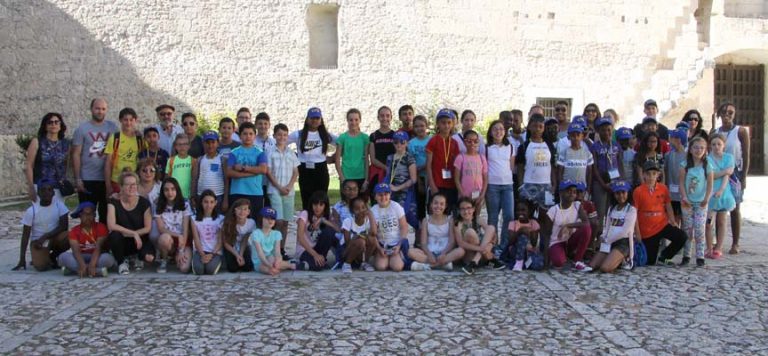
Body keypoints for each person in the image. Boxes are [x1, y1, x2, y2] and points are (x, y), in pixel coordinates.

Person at [711, 103, 749, 255]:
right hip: (717, 171)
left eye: (730, 112)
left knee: (734, 207)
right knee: (716, 206)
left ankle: (735, 243)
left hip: (735, 173)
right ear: (719, 114)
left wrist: (744, 176)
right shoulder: (715, 131)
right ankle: (716, 241)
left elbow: (746, 154)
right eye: (724, 112)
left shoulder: (740, 131)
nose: (727, 115)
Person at [633, 161, 688, 265]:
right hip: (647, 230)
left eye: (654, 173)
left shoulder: (663, 188)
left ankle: (665, 256)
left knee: (682, 236)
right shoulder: (638, 191)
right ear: (643, 174)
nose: (651, 177)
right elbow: (634, 213)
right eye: (648, 174)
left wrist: (672, 221)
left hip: (662, 224)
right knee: (650, 262)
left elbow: (668, 205)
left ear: (658, 175)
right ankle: (655, 255)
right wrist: (637, 232)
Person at [72, 98, 118, 222]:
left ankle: (104, 241)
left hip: (106, 180)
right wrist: (77, 178)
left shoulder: (113, 128)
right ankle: (87, 240)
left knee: (106, 215)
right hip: (88, 179)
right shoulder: (82, 129)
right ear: (91, 109)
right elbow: (76, 154)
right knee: (87, 215)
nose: (100, 111)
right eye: (97, 108)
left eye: (103, 109)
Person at [13, 180, 70, 271]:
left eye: (49, 190)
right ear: (38, 193)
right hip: (38, 242)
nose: (46, 193)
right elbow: (25, 235)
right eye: (43, 190)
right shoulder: (31, 211)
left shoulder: (60, 206)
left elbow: (64, 226)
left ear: (53, 193)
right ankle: (43, 257)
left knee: (70, 236)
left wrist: (46, 236)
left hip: (54, 238)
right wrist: (22, 258)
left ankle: (52, 256)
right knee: (41, 267)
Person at [107, 171, 154, 275]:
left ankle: (138, 257)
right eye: (128, 184)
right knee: (114, 235)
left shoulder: (144, 203)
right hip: (123, 239)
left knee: (150, 258)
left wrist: (136, 234)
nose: (132, 187)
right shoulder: (113, 202)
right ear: (121, 186)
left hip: (140, 240)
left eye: (134, 184)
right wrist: (133, 233)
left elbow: (147, 227)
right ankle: (121, 262)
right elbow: (111, 225)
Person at [289, 107, 336, 210]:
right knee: (306, 199)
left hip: (321, 169)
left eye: (317, 118)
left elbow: (342, 144)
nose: (314, 120)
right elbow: (282, 142)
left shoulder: (325, 135)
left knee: (322, 199)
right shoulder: (299, 134)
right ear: (307, 119)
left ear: (321, 120)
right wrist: (293, 157)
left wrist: (333, 157)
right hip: (304, 169)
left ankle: (322, 223)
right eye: (312, 118)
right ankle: (307, 223)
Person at [588, 180, 637, 273]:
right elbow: (607, 227)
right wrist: (603, 237)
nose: (621, 196)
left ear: (628, 193)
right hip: (609, 242)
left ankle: (623, 260)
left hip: (623, 243)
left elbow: (625, 232)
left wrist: (609, 240)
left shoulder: (631, 210)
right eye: (617, 193)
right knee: (592, 266)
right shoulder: (611, 209)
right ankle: (612, 257)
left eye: (623, 192)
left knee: (605, 268)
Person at [266, 123, 299, 258]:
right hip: (275, 190)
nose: (282, 137)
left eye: (285, 135)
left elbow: (295, 172)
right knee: (277, 221)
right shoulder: (270, 152)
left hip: (288, 191)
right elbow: (268, 172)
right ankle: (274, 248)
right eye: (279, 134)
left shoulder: (291, 153)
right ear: (274, 136)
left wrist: (290, 186)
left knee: (286, 222)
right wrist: (279, 187)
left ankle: (282, 249)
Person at [679, 137, 713, 267]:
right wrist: (684, 197)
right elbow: (681, 183)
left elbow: (710, 183)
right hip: (687, 202)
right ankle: (686, 255)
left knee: (699, 228)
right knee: (688, 230)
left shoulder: (707, 165)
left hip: (701, 202)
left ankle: (700, 256)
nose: (699, 150)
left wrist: (707, 198)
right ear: (691, 149)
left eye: (702, 148)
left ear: (705, 150)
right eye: (696, 147)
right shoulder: (684, 165)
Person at [408, 193, 464, 271]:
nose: (438, 206)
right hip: (430, 252)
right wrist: (429, 254)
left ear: (445, 206)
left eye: (441, 204)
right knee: (410, 252)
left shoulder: (449, 220)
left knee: (461, 251)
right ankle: (441, 265)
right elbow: (423, 243)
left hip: (445, 252)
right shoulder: (426, 220)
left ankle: (428, 266)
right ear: (431, 204)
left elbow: (452, 241)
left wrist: (443, 254)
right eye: (435, 203)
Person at [58, 202, 115, 277]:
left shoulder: (101, 227)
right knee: (62, 257)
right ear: (80, 216)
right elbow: (76, 250)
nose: (87, 217)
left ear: (94, 215)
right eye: (84, 214)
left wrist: (92, 264)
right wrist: (82, 265)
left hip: (97, 256)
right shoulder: (74, 230)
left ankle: (75, 270)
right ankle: (97, 271)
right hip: (81, 256)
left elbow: (98, 248)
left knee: (108, 259)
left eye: (90, 214)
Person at [517, 114, 557, 217]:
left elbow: (552, 165)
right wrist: (521, 185)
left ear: (544, 129)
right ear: (529, 127)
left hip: (546, 186)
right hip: (528, 185)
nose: (537, 129)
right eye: (534, 126)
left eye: (540, 126)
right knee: (527, 217)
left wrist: (554, 184)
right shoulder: (524, 146)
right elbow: (520, 167)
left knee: (546, 216)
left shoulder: (549, 145)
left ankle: (544, 234)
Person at [547, 180, 592, 271]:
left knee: (586, 229)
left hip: (571, 240)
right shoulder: (553, 210)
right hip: (557, 241)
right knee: (558, 262)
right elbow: (545, 233)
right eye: (568, 191)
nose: (572, 193)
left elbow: (586, 222)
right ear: (561, 193)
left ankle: (577, 261)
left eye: (574, 191)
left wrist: (568, 226)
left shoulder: (577, 205)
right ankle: (561, 255)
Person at [227, 122, 268, 220]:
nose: (248, 136)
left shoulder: (260, 153)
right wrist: (253, 172)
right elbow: (229, 172)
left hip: (255, 193)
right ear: (240, 136)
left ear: (255, 136)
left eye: (251, 134)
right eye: (245, 134)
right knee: (236, 222)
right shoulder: (233, 153)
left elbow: (263, 169)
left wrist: (243, 168)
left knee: (254, 223)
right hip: (237, 192)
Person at [25, 112, 70, 203]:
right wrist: (31, 187)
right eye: (50, 122)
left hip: (59, 187)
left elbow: (66, 165)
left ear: (60, 125)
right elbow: (29, 165)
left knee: (58, 215)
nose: (53, 124)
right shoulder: (36, 142)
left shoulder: (66, 144)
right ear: (45, 126)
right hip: (41, 187)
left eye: (56, 122)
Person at [485, 120, 515, 251]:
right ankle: (492, 245)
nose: (498, 132)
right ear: (491, 132)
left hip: (507, 185)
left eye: (501, 129)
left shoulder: (511, 147)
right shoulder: (486, 148)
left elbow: (511, 166)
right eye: (495, 129)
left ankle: (504, 245)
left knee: (509, 215)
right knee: (493, 216)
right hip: (492, 185)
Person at [454, 197, 505, 275]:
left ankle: (474, 262)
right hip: (469, 255)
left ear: (473, 209)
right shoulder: (458, 224)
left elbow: (494, 236)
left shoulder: (478, 219)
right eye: (463, 209)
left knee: (491, 228)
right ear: (459, 210)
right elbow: (461, 243)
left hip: (482, 255)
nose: (466, 211)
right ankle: (484, 260)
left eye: (468, 208)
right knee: (470, 232)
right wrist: (481, 249)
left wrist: (490, 245)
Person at [706, 134, 737, 259]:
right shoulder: (707, 159)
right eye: (713, 144)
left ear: (723, 145)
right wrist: (724, 171)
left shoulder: (729, 157)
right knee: (709, 222)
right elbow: (711, 175)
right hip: (710, 192)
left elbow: (727, 176)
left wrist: (721, 189)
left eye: (719, 144)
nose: (716, 147)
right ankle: (708, 248)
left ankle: (718, 247)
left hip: (724, 193)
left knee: (722, 221)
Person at [154, 177, 193, 273]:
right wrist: (177, 235)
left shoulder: (185, 204)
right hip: (169, 238)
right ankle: (164, 260)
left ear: (177, 190)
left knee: (184, 268)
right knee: (164, 238)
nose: (170, 193)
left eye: (172, 189)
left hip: (183, 240)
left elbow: (185, 229)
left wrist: (181, 250)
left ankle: (177, 256)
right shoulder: (158, 205)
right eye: (166, 190)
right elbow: (161, 228)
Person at [370, 184, 413, 272]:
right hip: (382, 244)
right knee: (381, 267)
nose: (383, 197)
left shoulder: (396, 206)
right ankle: (380, 256)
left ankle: (399, 256)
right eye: (380, 195)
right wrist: (379, 248)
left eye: (386, 194)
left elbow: (404, 227)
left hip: (395, 244)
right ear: (375, 197)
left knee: (397, 267)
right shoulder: (373, 210)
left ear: (390, 195)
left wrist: (399, 245)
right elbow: (372, 234)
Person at [295, 191, 339, 271]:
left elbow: (338, 230)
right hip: (304, 249)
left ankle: (317, 261)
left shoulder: (327, 217)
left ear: (325, 206)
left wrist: (322, 220)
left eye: (321, 205)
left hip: (318, 249)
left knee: (329, 231)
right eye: (315, 204)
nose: (317, 207)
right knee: (318, 266)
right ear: (311, 204)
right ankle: (293, 265)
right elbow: (300, 238)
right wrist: (315, 255)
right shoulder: (305, 214)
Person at [104, 108, 143, 197]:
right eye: (125, 120)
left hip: (134, 181)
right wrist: (108, 186)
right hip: (117, 181)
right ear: (121, 120)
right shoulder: (115, 138)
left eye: (131, 120)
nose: (128, 123)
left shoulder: (140, 139)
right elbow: (108, 163)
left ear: (135, 120)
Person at [426, 109, 460, 210]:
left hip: (451, 185)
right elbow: (428, 165)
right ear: (438, 124)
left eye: (449, 123)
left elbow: (457, 166)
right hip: (437, 184)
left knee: (450, 213)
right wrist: (432, 185)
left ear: (453, 124)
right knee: (436, 213)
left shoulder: (454, 143)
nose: (446, 126)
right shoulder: (433, 141)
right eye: (443, 123)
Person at [591, 117, 622, 229]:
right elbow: (594, 168)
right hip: (600, 183)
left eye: (609, 129)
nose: (606, 132)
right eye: (603, 130)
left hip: (614, 182)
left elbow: (620, 164)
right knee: (600, 212)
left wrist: (619, 182)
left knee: (612, 211)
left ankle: (610, 236)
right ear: (598, 131)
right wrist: (603, 184)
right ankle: (598, 238)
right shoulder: (595, 146)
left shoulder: (616, 145)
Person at [249, 207, 295, 275]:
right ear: (261, 219)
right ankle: (280, 266)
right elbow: (260, 253)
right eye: (267, 218)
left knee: (275, 262)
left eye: (272, 219)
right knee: (267, 269)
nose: (270, 221)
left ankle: (291, 265)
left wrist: (278, 260)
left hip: (271, 259)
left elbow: (277, 252)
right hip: (260, 261)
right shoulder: (256, 233)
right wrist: (268, 265)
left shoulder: (277, 234)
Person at [386, 131, 418, 227]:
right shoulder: (390, 157)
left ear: (407, 143)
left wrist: (398, 188)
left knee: (407, 215)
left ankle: (417, 239)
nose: (399, 144)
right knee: (393, 216)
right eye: (396, 142)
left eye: (402, 142)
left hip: (405, 192)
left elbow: (413, 179)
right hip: (391, 192)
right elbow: (388, 175)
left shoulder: (409, 158)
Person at [340, 197, 378, 273]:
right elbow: (347, 244)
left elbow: (374, 233)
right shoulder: (348, 221)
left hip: (361, 251)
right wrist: (357, 237)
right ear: (352, 211)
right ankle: (347, 264)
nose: (361, 211)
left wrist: (370, 214)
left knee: (373, 240)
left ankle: (364, 263)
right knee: (361, 242)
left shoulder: (367, 221)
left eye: (363, 207)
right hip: (347, 251)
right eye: (357, 209)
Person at [454, 130, 488, 214]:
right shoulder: (460, 158)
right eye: (469, 141)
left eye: (475, 141)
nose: (472, 144)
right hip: (464, 195)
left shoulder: (482, 158)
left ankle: (476, 227)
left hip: (478, 194)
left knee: (476, 216)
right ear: (464, 142)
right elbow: (456, 178)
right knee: (464, 216)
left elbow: (485, 178)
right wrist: (462, 194)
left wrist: (483, 194)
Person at [335, 108, 370, 190]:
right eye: (351, 120)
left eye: (356, 120)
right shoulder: (342, 138)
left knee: (361, 202)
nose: (354, 122)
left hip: (361, 176)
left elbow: (366, 160)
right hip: (346, 176)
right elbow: (337, 160)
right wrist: (342, 178)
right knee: (347, 202)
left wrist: (366, 179)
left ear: (360, 120)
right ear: (347, 121)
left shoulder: (365, 138)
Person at [190, 190, 223, 275]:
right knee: (198, 270)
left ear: (215, 203)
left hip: (215, 252)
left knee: (210, 270)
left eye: (211, 202)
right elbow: (196, 239)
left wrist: (211, 255)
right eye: (206, 202)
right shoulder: (194, 219)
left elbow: (220, 241)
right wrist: (202, 254)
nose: (209, 205)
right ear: (201, 202)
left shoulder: (220, 219)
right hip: (200, 251)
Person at [192, 131, 227, 210]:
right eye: (207, 142)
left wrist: (225, 199)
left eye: (213, 142)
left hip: (218, 196)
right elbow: (194, 179)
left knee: (217, 220)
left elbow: (226, 180)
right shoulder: (199, 160)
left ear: (218, 143)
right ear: (203, 144)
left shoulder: (223, 160)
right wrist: (193, 196)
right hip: (201, 195)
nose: (210, 145)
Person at [557, 122, 594, 195]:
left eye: (578, 135)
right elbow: (560, 172)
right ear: (569, 137)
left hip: (581, 188)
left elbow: (590, 173)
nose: (576, 138)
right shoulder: (564, 152)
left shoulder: (587, 153)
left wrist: (588, 189)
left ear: (582, 136)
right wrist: (561, 187)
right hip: (567, 188)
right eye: (573, 135)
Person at [330, 180, 360, 267]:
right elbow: (335, 225)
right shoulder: (337, 207)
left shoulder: (362, 205)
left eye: (355, 189)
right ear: (343, 190)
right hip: (342, 237)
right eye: (348, 189)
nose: (352, 192)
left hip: (358, 237)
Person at [408, 115, 432, 222]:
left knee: (432, 204)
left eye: (422, 126)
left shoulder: (432, 140)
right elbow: (411, 161)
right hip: (419, 177)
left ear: (426, 126)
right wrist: (418, 178)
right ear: (413, 128)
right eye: (416, 126)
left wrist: (424, 166)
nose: (420, 128)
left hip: (431, 176)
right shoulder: (411, 143)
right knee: (420, 205)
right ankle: (421, 230)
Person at [221, 199, 255, 273]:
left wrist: (241, 255)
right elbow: (226, 243)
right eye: (239, 209)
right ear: (234, 210)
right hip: (231, 247)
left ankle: (241, 259)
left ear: (248, 212)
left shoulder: (251, 223)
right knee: (232, 269)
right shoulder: (227, 222)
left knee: (248, 268)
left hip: (243, 246)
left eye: (245, 209)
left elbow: (245, 240)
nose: (242, 212)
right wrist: (237, 255)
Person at [368, 106, 396, 195]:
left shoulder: (395, 135)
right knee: (376, 199)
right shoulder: (373, 136)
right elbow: (372, 159)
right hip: (377, 173)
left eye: (387, 116)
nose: (385, 118)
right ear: (378, 118)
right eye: (382, 116)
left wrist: (390, 169)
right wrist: (386, 168)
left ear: (391, 117)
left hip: (392, 174)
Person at [507, 201, 541, 271]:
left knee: (538, 265)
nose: (520, 213)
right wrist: (519, 231)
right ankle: (519, 262)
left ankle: (524, 264)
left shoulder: (533, 223)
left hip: (529, 252)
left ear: (529, 211)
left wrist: (530, 233)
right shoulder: (513, 223)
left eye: (523, 210)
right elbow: (510, 242)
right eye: (518, 210)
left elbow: (534, 243)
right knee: (522, 237)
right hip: (516, 251)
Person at [665, 129, 689, 226]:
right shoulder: (668, 154)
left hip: (684, 194)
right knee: (674, 219)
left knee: (685, 220)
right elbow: (665, 171)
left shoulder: (688, 156)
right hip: (671, 193)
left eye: (672, 137)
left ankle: (685, 240)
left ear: (679, 140)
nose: (669, 139)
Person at [166, 135, 196, 200]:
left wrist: (193, 196)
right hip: (174, 196)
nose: (182, 147)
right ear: (175, 146)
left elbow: (195, 179)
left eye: (185, 144)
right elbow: (167, 178)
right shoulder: (171, 160)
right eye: (179, 144)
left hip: (188, 196)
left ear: (189, 146)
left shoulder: (193, 161)